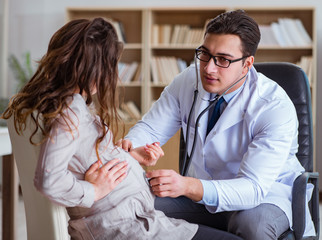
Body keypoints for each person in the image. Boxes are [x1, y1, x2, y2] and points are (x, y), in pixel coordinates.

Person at [2, 17, 243, 240]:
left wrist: (129, 157)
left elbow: (79, 157)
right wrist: (93, 190)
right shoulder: (70, 110)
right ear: (94, 67)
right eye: (111, 65)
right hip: (125, 226)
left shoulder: (59, 105)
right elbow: (49, 180)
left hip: (131, 219)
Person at [119, 10, 315, 240]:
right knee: (130, 205)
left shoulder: (273, 106)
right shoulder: (188, 81)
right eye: (205, 54)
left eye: (223, 59)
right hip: (200, 195)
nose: (208, 68)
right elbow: (151, 129)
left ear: (247, 64)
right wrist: (131, 147)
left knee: (253, 225)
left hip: (264, 198)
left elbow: (252, 188)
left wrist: (187, 186)